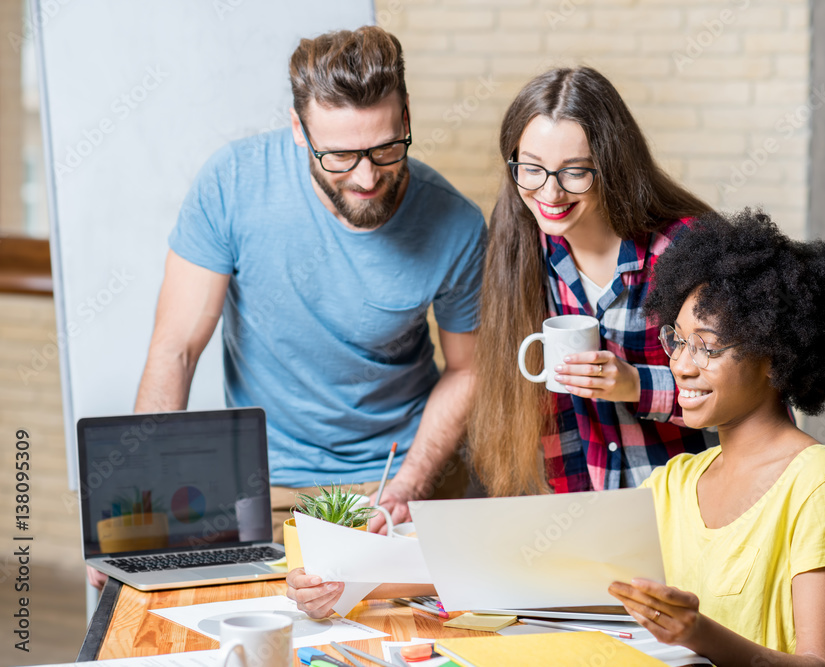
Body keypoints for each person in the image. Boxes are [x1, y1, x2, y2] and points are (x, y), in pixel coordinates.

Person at [90, 26, 486, 589]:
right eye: (341, 156)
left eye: (385, 149)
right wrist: (134, 508)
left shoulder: (458, 224)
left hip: (396, 480)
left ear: (405, 119)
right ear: (299, 129)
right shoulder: (233, 183)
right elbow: (176, 349)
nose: (367, 177)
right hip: (260, 489)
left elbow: (468, 368)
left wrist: (409, 483)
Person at [609, 208, 825, 665]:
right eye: (678, 339)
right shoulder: (673, 483)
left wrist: (699, 634)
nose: (681, 365)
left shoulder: (817, 485)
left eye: (708, 347)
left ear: (773, 355)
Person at [468, 67, 713, 497]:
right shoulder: (524, 244)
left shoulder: (681, 249)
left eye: (574, 172)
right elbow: (550, 413)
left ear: (612, 166)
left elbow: (740, 392)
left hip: (692, 507)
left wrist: (633, 384)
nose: (550, 193)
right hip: (591, 513)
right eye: (532, 169)